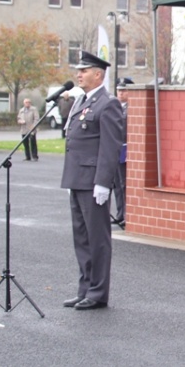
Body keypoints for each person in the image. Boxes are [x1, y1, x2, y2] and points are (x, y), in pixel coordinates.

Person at [61, 50, 123, 310]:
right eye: (79, 70)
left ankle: (98, 293)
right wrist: (71, 178)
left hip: (93, 182)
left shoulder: (108, 103)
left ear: (98, 75)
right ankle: (85, 288)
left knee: (97, 240)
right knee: (82, 239)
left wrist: (103, 183)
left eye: (84, 71)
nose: (79, 74)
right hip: (77, 179)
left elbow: (110, 147)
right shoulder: (81, 101)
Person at [112, 77, 134, 228]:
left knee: (124, 183)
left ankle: (127, 214)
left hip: (125, 148)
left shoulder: (132, 108)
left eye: (124, 90)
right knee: (116, 184)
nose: (120, 93)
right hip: (114, 148)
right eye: (119, 90)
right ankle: (120, 213)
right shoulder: (114, 107)